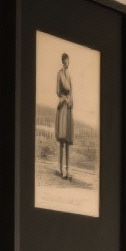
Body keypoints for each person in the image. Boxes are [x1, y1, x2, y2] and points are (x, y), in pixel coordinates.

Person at [55, 52, 74, 181]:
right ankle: (61, 170)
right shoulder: (59, 74)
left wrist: (70, 101)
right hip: (62, 108)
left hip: (68, 108)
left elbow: (71, 92)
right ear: (63, 61)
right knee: (62, 140)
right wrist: (64, 99)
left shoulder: (69, 75)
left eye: (68, 61)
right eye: (66, 61)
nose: (67, 63)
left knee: (67, 140)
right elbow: (57, 91)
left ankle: (68, 170)